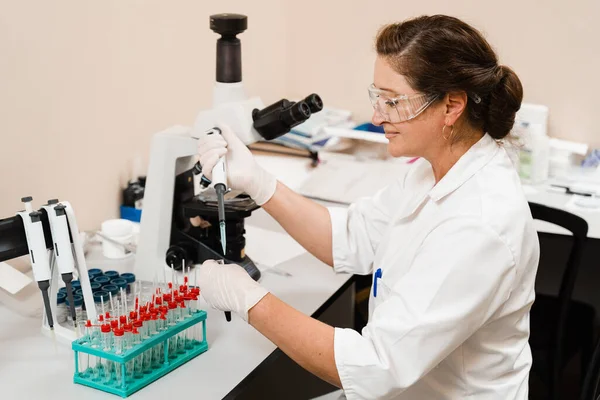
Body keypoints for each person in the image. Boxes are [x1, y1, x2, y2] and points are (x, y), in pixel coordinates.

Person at [196, 14, 539, 399]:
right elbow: (349, 237)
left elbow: (375, 366)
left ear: (451, 106)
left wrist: (247, 299)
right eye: (377, 98)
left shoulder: (479, 225)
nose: (377, 117)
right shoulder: (432, 170)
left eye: (392, 101)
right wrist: (257, 181)